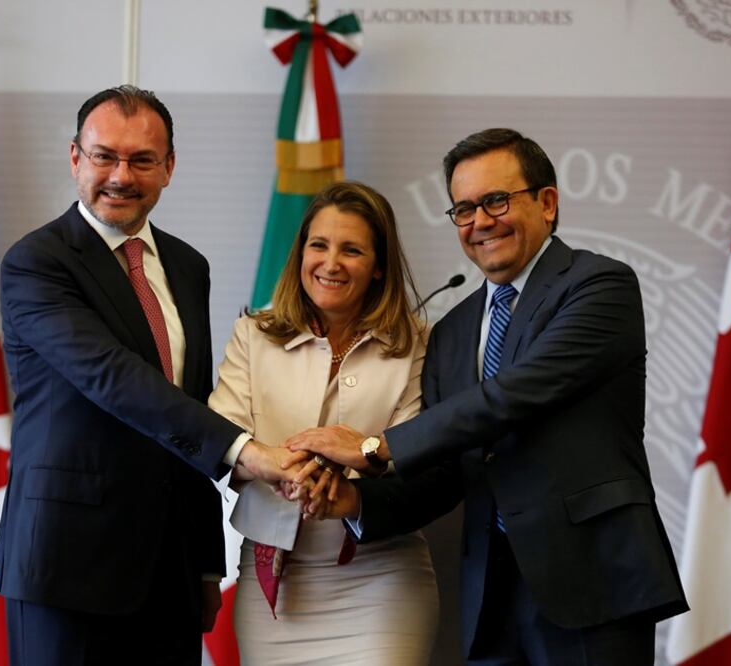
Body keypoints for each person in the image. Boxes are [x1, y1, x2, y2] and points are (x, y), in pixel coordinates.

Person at [286, 128, 689, 665]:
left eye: (496, 200)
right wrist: (357, 501)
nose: (479, 221)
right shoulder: (452, 331)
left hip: (590, 579)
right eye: (463, 209)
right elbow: (446, 470)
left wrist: (373, 447)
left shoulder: (599, 285)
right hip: (488, 592)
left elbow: (515, 394)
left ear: (547, 203)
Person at [0, 85, 297, 665]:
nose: (121, 176)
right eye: (104, 155)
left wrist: (208, 560)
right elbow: (111, 376)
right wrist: (247, 453)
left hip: (169, 571)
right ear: (75, 158)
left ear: (169, 167)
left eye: (142, 160)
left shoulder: (187, 266)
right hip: (67, 568)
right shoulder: (38, 262)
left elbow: (194, 405)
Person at [208, 181, 439, 664]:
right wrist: (281, 467)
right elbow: (220, 438)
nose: (330, 263)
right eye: (319, 245)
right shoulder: (253, 333)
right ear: (299, 255)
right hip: (275, 586)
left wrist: (360, 463)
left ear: (378, 267)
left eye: (351, 250)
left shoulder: (418, 340)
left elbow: (418, 448)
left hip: (382, 579)